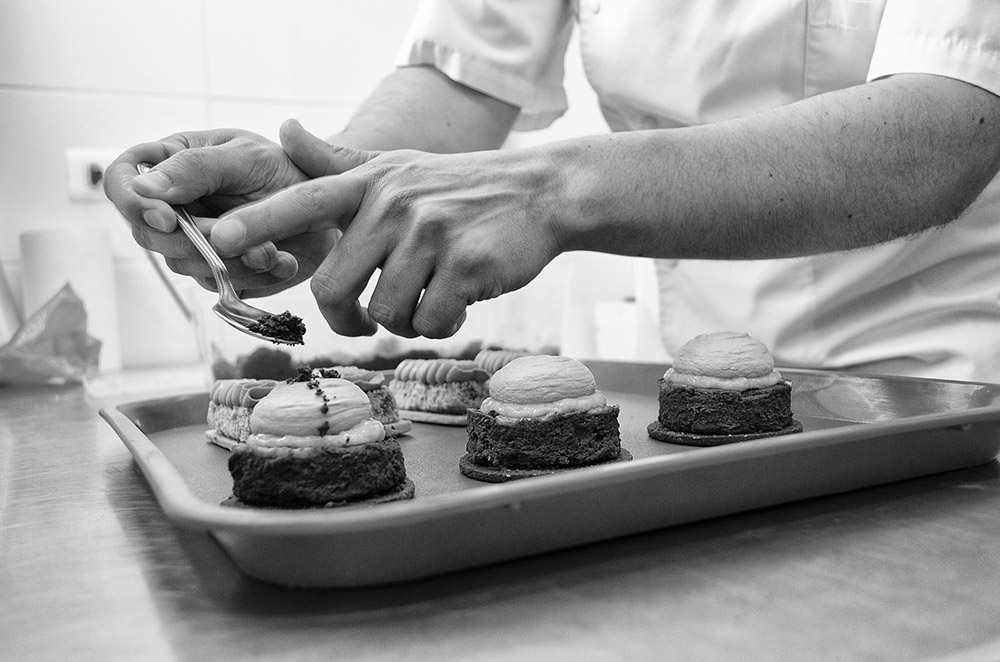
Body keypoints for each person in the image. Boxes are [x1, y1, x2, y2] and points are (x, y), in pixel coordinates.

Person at [105, 0, 1000, 382]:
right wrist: (311, 195)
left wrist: (550, 190)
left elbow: (946, 126)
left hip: (941, 382)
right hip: (686, 389)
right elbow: (465, 75)